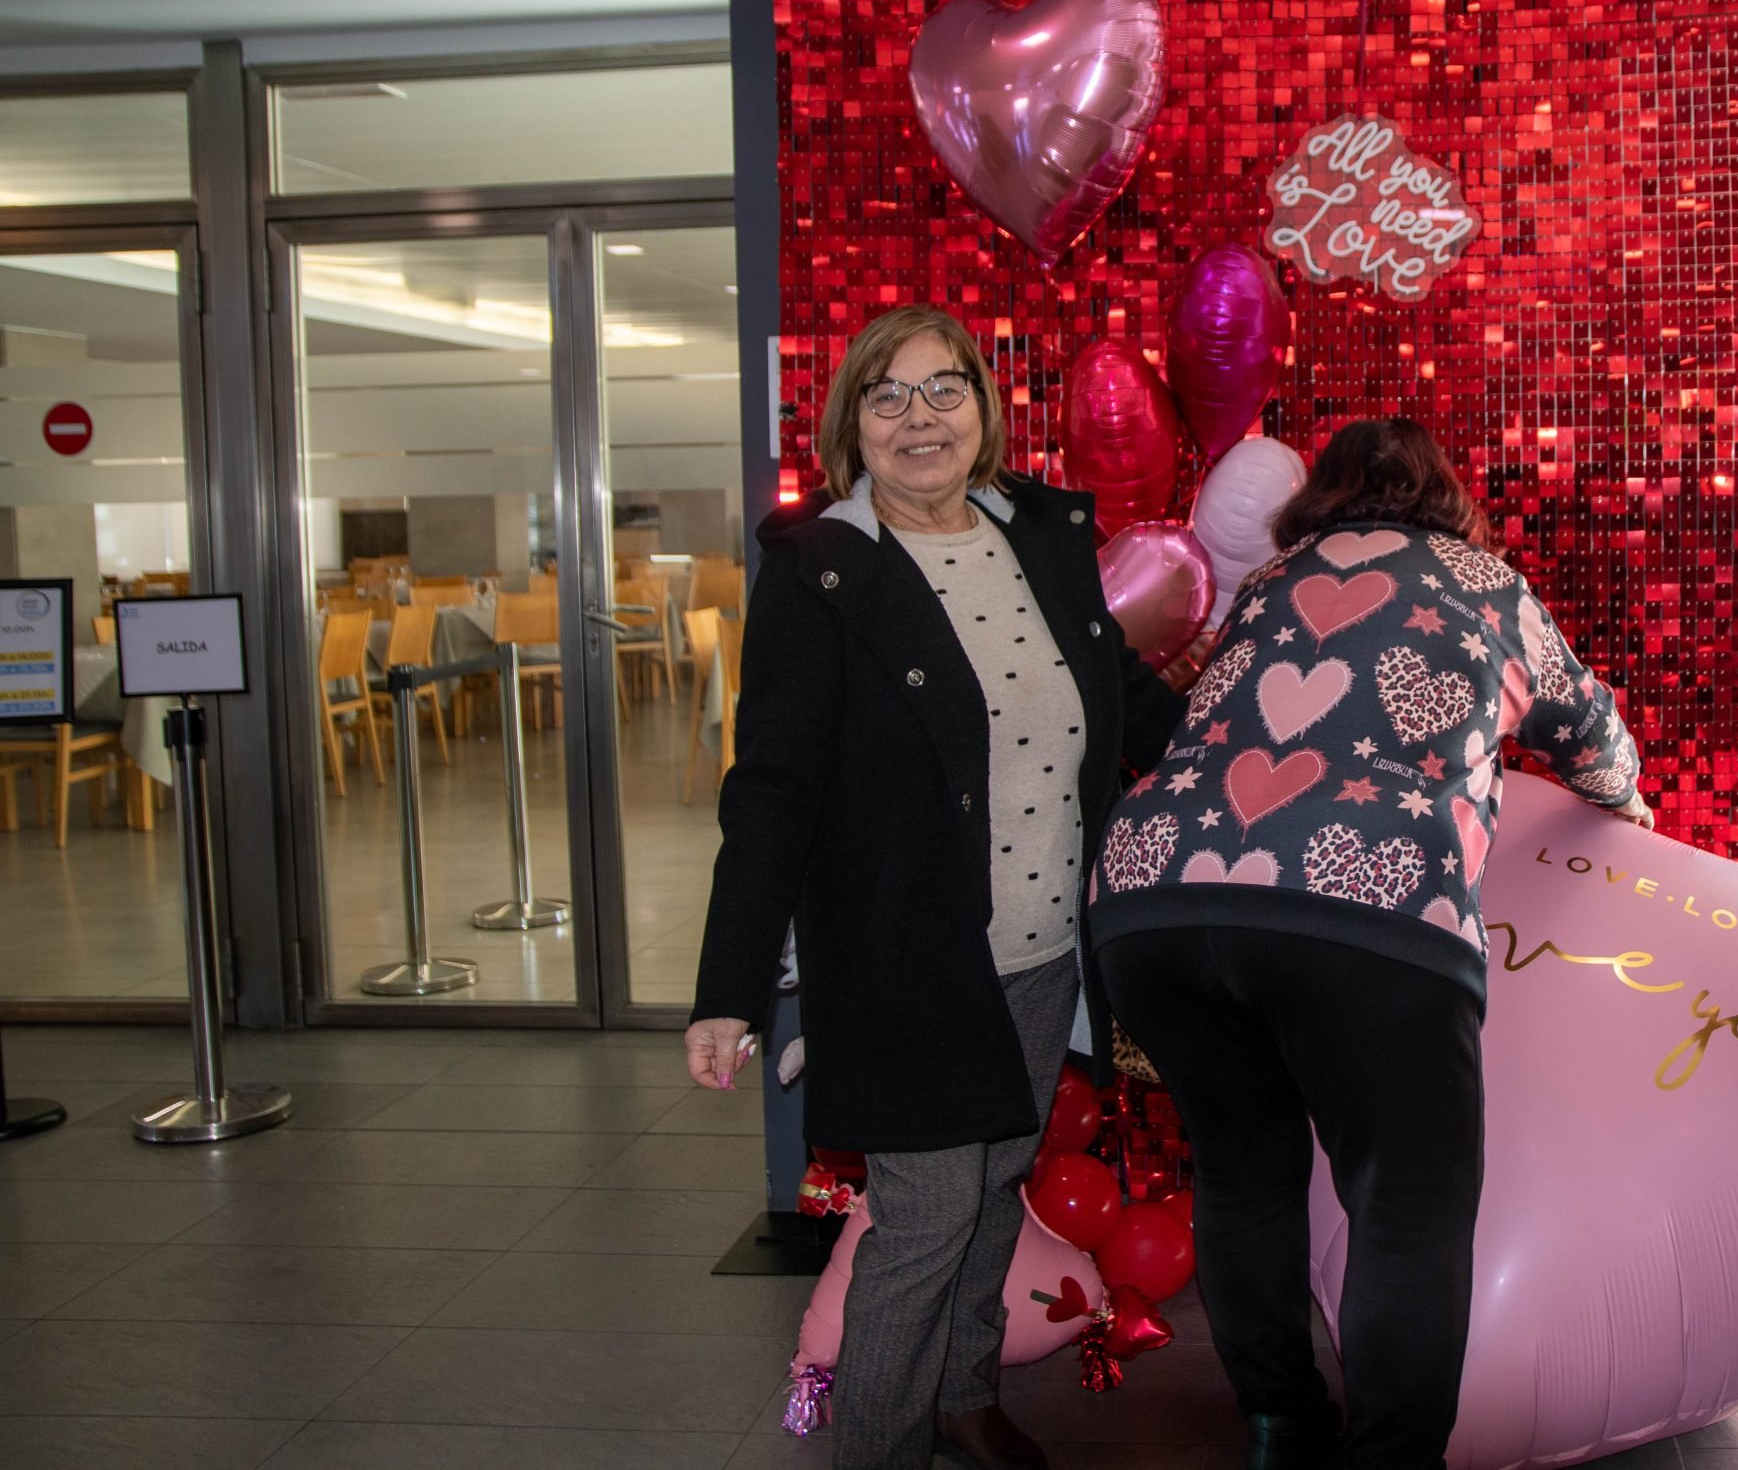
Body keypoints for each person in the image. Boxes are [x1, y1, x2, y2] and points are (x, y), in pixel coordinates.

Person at [1089, 418, 1649, 1470]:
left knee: (1243, 1174)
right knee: (1406, 1206)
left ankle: (1279, 1423)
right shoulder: (1485, 583)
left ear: (1317, 500)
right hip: (1366, 900)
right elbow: (1585, 727)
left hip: (1154, 898)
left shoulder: (1270, 585)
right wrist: (1629, 806)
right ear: (1446, 496)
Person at [683, 305, 1183, 1470]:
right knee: (923, 1220)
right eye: (887, 394)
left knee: (999, 1179)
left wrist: (1267, 743)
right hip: (904, 957)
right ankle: (879, 1446)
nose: (919, 417)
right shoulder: (822, 571)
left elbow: (1121, 697)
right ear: (850, 424)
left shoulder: (1041, 536)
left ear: (982, 406)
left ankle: (964, 1396)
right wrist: (728, 990)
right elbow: (771, 793)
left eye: (942, 388)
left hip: (1043, 947)